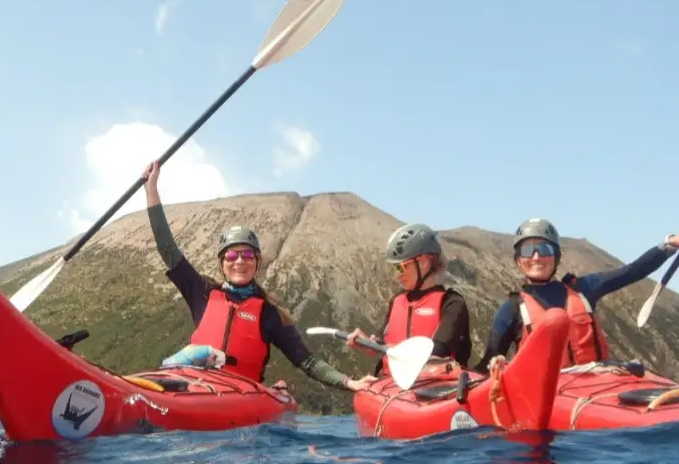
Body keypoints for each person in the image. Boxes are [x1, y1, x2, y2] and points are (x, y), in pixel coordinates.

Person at [142, 160, 373, 392]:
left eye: (247, 255)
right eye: (231, 255)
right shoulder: (202, 292)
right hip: (193, 384)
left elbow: (308, 362)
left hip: (240, 396)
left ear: (257, 262)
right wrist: (151, 190)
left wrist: (350, 382)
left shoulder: (270, 314)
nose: (239, 261)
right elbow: (167, 248)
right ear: (222, 264)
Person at [474, 218, 679, 370]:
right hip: (551, 398)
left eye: (544, 249)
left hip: (597, 386)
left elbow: (631, 272)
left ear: (556, 257)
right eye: (527, 250)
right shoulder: (511, 309)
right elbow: (487, 366)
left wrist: (669, 244)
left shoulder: (583, 289)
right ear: (518, 260)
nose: (536, 257)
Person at [343, 222, 476, 378]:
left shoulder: (452, 304)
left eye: (401, 267)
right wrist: (369, 344)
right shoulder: (398, 300)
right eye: (395, 268)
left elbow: (437, 352)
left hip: (434, 393)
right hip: (394, 390)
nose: (397, 274)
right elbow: (382, 341)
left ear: (424, 262)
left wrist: (386, 347)